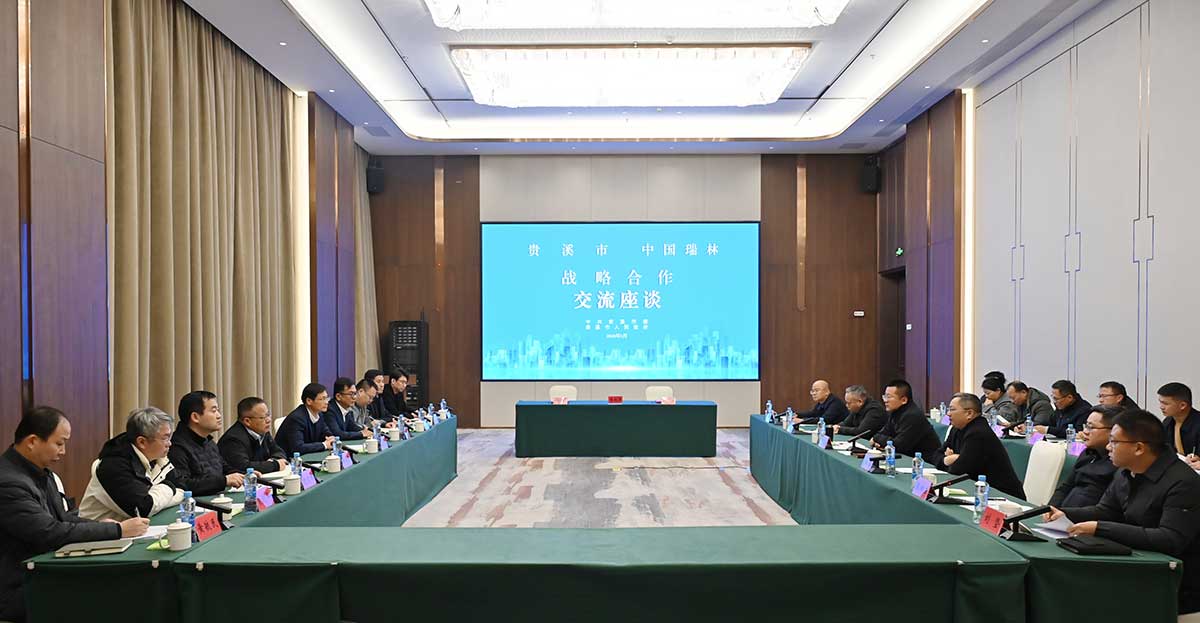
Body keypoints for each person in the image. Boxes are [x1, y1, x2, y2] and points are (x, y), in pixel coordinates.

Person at [0, 407, 149, 621]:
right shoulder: (8, 482)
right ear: (32, 441)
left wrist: (101, 526)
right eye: (59, 443)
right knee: (110, 594)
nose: (63, 452)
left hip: (44, 572)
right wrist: (117, 530)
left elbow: (62, 517)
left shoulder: (41, 473)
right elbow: (49, 532)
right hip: (18, 587)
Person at [1049, 410, 1200, 614]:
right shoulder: (1126, 470)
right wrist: (1063, 513)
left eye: (1114, 442)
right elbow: (1105, 510)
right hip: (1135, 564)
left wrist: (1099, 528)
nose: (1108, 447)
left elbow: (1170, 538)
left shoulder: (1183, 482)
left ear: (1139, 448)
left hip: (1173, 584)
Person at [79, 407, 184, 521]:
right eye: (165, 438)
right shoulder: (114, 466)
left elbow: (182, 487)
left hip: (135, 526)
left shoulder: (156, 458)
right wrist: (169, 488)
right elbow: (144, 509)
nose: (169, 443)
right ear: (142, 442)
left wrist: (161, 496)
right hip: (100, 530)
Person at [936, 393, 1026, 499]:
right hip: (979, 490)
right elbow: (935, 456)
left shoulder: (978, 433)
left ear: (969, 413)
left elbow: (957, 471)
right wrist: (947, 460)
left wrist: (948, 461)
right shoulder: (957, 428)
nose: (948, 414)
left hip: (1003, 496)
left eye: (952, 409)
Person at [168, 391, 244, 496]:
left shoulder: (208, 441)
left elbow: (224, 468)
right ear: (195, 417)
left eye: (218, 410)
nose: (219, 416)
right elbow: (183, 484)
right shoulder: (176, 447)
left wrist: (245, 475)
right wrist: (224, 481)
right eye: (214, 411)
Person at [1048, 405, 1119, 508]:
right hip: (1062, 513)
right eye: (1086, 426)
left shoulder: (1118, 463)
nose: (1085, 431)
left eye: (1091, 427)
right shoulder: (1087, 453)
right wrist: (1050, 509)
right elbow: (1065, 487)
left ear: (1113, 431)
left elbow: (1104, 510)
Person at [872, 379, 941, 458]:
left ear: (904, 400)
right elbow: (883, 433)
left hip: (925, 461)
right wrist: (879, 439)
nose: (885, 401)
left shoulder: (913, 416)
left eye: (889, 397)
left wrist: (878, 439)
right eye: (885, 396)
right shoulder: (895, 412)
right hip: (908, 457)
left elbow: (899, 446)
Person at [219, 397, 289, 475]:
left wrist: (273, 460)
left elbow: (278, 451)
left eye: (268, 415)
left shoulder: (262, 431)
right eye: (262, 418)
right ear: (247, 421)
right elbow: (243, 466)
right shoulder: (233, 440)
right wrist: (275, 465)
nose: (268, 420)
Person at [277, 383, 336, 455]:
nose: (326, 402)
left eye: (326, 398)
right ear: (309, 401)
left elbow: (325, 432)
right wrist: (324, 445)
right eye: (322, 399)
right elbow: (298, 448)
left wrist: (330, 438)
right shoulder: (297, 418)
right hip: (289, 459)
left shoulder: (319, 414)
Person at [1159, 382, 1200, 469]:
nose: (1161, 407)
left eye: (1165, 403)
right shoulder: (1168, 422)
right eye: (1160, 402)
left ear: (1182, 405)